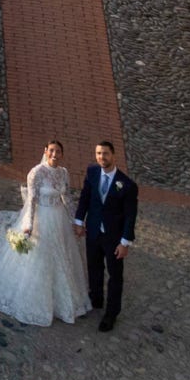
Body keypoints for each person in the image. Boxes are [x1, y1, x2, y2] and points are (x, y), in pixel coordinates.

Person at [0, 142, 90, 326]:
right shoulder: (36, 172)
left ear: (62, 154)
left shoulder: (63, 172)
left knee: (62, 256)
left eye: (58, 151)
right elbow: (31, 200)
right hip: (43, 218)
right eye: (52, 150)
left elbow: (67, 198)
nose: (55, 154)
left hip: (59, 219)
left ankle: (63, 300)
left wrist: (76, 221)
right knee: (40, 258)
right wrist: (28, 226)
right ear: (45, 151)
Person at [73, 139, 138, 332]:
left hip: (114, 238)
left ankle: (111, 313)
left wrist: (125, 242)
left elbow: (130, 216)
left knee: (115, 276)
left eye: (105, 153)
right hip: (93, 231)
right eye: (99, 153)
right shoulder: (92, 173)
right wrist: (79, 221)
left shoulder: (127, 185)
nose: (102, 157)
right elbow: (85, 197)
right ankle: (96, 298)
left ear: (113, 155)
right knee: (94, 267)